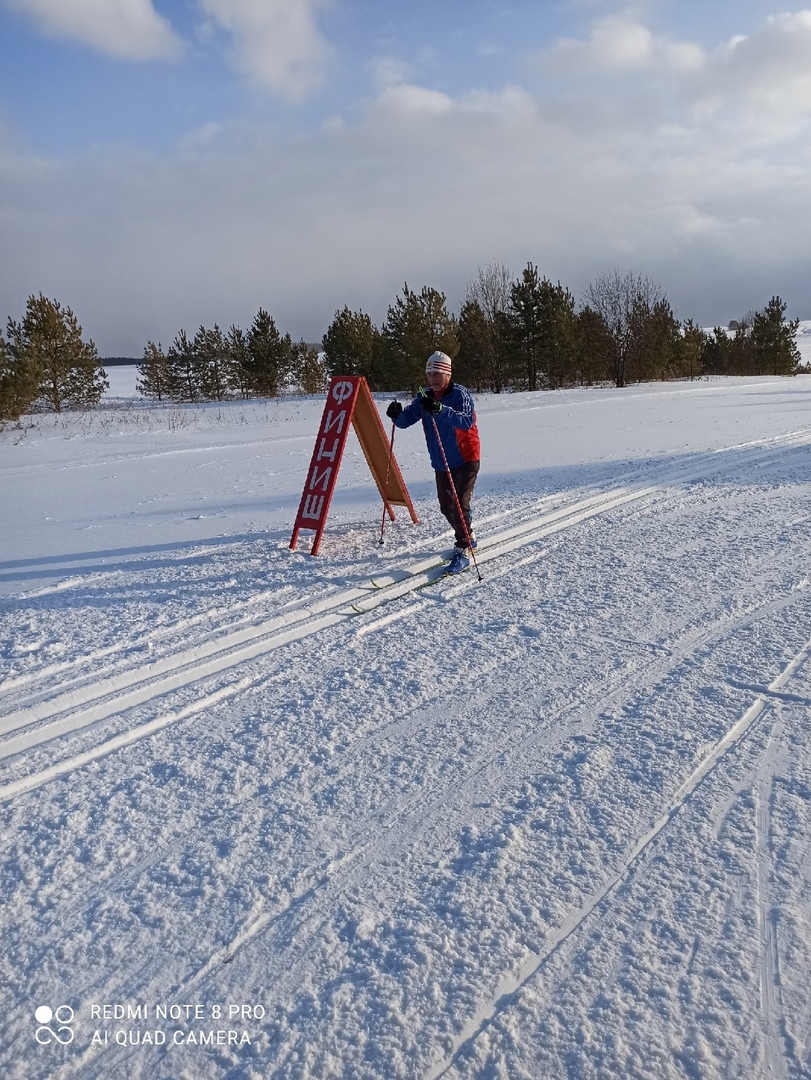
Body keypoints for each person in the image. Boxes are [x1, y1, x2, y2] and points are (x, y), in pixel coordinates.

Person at [386, 351, 480, 570]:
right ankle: (469, 533)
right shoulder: (424, 396)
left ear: (447, 374)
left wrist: (440, 410)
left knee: (459, 504)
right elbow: (405, 421)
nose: (432, 379)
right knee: (446, 506)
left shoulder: (460, 394)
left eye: (437, 374)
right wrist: (396, 414)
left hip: (466, 457)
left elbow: (466, 421)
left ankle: (463, 548)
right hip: (441, 462)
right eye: (429, 374)